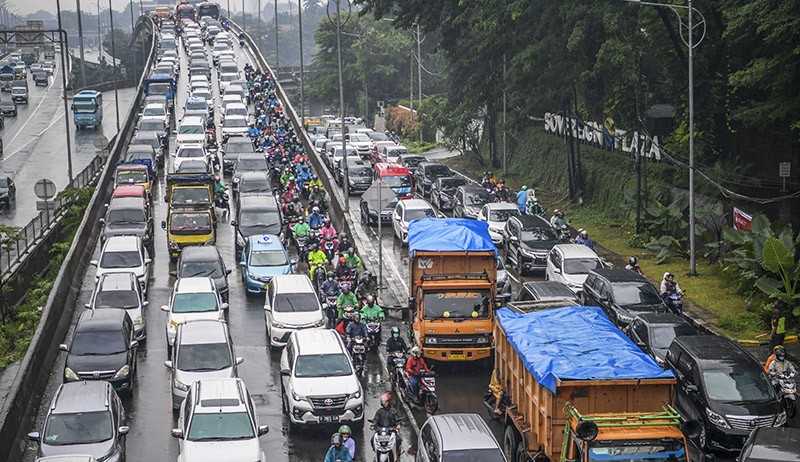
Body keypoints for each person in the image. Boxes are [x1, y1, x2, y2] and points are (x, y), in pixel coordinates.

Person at [371, 394, 402, 458]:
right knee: (372, 439)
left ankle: (398, 455)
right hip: (381, 431)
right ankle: (375, 452)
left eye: (386, 402)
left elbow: (397, 419)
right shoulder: (379, 412)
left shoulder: (393, 411)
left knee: (398, 439)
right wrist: (373, 425)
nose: (384, 403)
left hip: (391, 430)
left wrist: (398, 425)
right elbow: (375, 419)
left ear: (389, 402)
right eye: (383, 402)